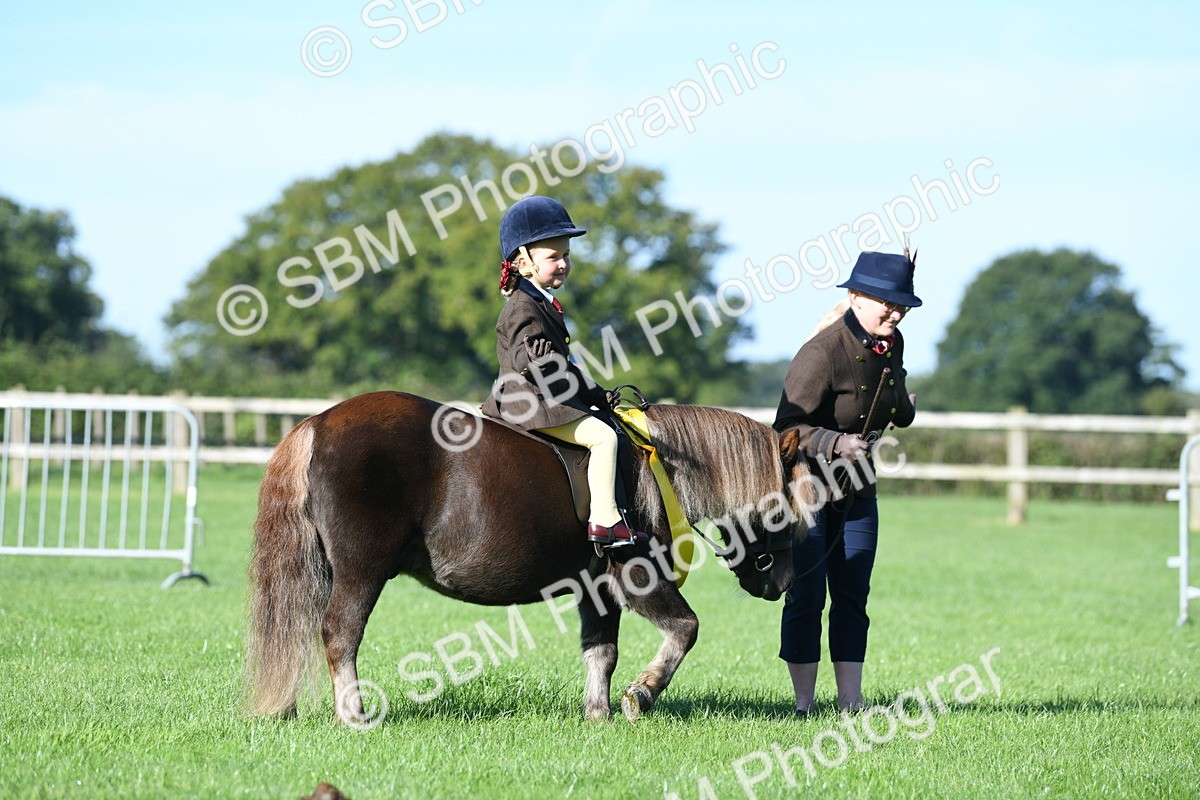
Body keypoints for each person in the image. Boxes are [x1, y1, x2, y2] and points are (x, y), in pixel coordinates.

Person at [773, 250, 920, 713]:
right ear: (855, 297)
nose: (894, 313)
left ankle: (851, 703)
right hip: (808, 491)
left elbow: (892, 403)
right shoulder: (819, 353)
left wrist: (905, 407)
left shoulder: (891, 344)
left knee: (853, 597)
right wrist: (836, 444)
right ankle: (803, 705)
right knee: (808, 596)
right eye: (885, 303)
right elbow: (785, 431)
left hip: (858, 492)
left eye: (901, 306)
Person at [481, 195, 643, 549]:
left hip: (541, 396)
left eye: (566, 255)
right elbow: (527, 360)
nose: (564, 263)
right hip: (531, 402)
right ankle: (605, 520)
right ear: (523, 261)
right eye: (553, 257)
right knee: (605, 438)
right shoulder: (523, 305)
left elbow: (560, 364)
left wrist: (597, 394)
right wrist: (538, 362)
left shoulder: (540, 300)